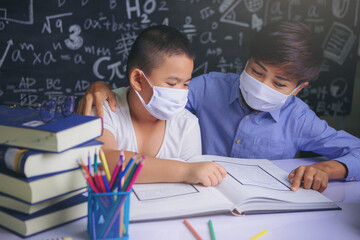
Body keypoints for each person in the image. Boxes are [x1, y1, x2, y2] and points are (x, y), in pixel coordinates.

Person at [77, 21, 360, 193]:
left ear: (299, 88)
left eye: (280, 84)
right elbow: (153, 90)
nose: (263, 85)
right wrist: (102, 86)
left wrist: (328, 168)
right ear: (247, 59)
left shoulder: (299, 120)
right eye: (258, 72)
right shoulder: (209, 88)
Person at [91, 25, 227, 187]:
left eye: (185, 84)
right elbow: (106, 162)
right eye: (171, 83)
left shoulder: (187, 124)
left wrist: (193, 172)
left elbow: (193, 188)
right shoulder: (104, 107)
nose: (180, 92)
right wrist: (186, 171)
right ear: (138, 79)